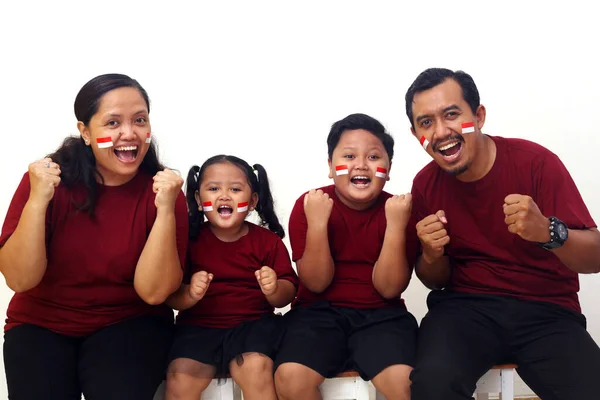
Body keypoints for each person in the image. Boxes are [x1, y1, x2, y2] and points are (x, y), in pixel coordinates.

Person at [405, 67, 600, 400]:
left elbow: (595, 256)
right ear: (415, 134)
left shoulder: (536, 163)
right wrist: (431, 254)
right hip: (465, 310)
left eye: (451, 114)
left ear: (479, 116)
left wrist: (548, 231)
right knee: (432, 383)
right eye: (426, 123)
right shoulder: (425, 185)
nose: (440, 132)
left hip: (547, 311)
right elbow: (435, 279)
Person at [0, 73, 188, 400]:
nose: (129, 134)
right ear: (85, 132)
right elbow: (19, 279)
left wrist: (166, 209)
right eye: (112, 123)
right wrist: (38, 199)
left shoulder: (164, 191)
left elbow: (155, 293)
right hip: (41, 322)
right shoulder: (45, 182)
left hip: (129, 322)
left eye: (139, 120)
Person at [274, 113, 418, 400]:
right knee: (290, 378)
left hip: (383, 316)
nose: (361, 164)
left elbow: (389, 288)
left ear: (388, 169)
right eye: (349, 155)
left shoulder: (400, 210)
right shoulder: (311, 204)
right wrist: (317, 224)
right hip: (317, 314)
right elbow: (315, 283)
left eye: (374, 157)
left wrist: (395, 227)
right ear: (330, 167)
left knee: (406, 383)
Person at [165, 155, 298, 400]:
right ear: (198, 198)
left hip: (254, 327)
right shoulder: (188, 241)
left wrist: (274, 288)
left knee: (257, 371)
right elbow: (171, 297)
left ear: (252, 201)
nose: (224, 196)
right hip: (198, 328)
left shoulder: (267, 242)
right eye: (213, 189)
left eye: (235, 189)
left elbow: (287, 294)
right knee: (180, 377)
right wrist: (190, 293)